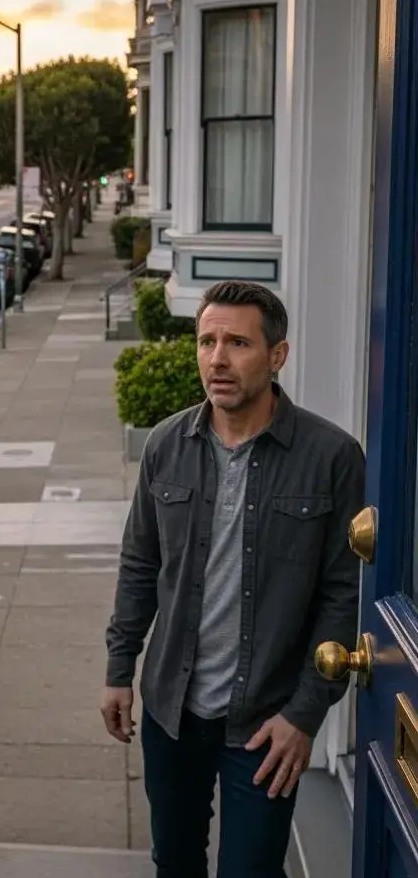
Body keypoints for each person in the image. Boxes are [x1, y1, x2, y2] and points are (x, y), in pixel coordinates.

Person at [100, 280, 365, 878]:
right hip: (172, 708)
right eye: (207, 341)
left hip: (266, 721)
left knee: (251, 869)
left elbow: (343, 594)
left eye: (238, 343)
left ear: (277, 355)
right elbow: (140, 564)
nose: (216, 359)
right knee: (176, 862)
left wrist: (305, 714)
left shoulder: (332, 456)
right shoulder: (167, 445)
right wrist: (119, 670)